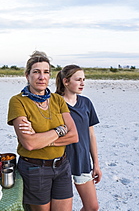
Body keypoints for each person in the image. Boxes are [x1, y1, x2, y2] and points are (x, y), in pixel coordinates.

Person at [7, 51, 79, 211]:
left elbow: (74, 135)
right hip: (35, 169)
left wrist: (43, 139)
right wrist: (60, 130)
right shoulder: (18, 101)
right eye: (36, 72)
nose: (42, 77)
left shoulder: (58, 100)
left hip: (62, 166)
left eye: (46, 72)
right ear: (27, 75)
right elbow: (29, 144)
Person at [55, 65, 101, 211]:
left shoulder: (86, 103)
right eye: (78, 80)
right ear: (66, 81)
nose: (82, 83)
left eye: (83, 80)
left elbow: (91, 135)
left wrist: (96, 164)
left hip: (82, 161)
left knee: (92, 207)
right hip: (60, 163)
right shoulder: (54, 103)